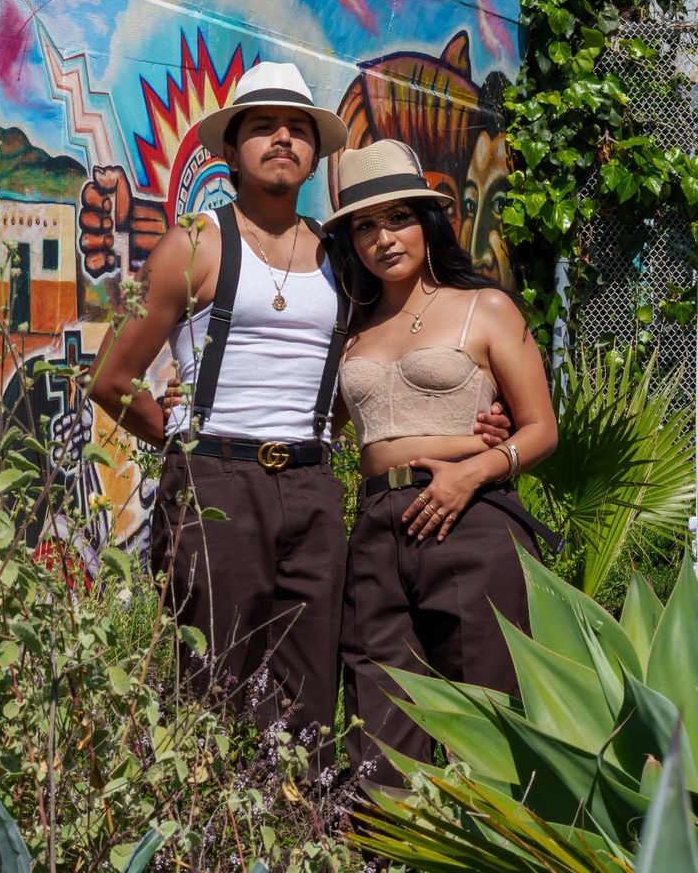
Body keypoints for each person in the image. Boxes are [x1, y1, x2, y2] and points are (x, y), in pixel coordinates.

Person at [91, 63, 510, 771]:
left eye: (298, 129)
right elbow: (110, 378)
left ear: (315, 154)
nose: (282, 138)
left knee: (309, 688)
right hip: (216, 481)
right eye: (263, 127)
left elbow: (387, 360)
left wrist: (470, 417)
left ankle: (297, 836)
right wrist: (180, 438)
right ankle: (207, 837)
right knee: (210, 677)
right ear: (232, 151)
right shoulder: (194, 245)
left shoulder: (341, 256)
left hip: (314, 488)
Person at [322, 139, 558, 786]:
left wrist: (476, 470)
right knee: (380, 714)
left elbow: (541, 429)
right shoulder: (352, 329)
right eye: (365, 226)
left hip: (472, 518)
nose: (383, 238)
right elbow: (318, 424)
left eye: (398, 217)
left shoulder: (485, 307)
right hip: (375, 527)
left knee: (489, 711)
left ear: (427, 221)